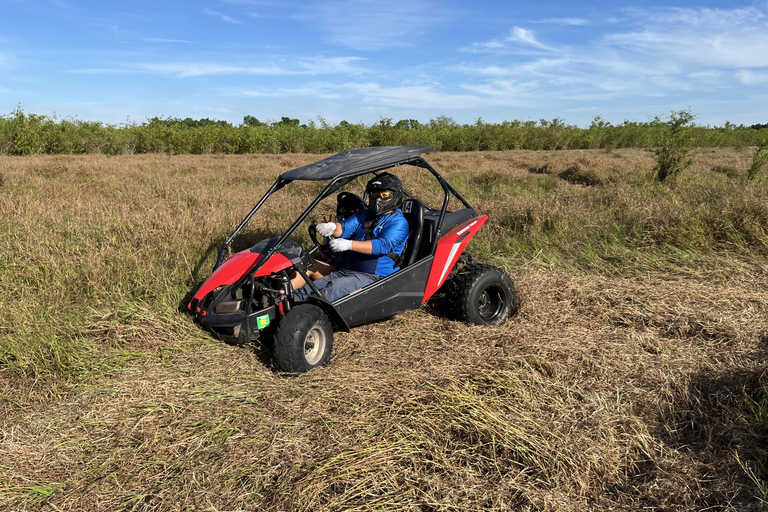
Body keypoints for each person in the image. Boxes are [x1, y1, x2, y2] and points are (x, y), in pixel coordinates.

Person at [293, 172, 409, 302]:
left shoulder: (398, 222)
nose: (378, 199)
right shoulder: (364, 215)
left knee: (330, 292)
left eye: (384, 195)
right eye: (374, 194)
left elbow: (383, 245)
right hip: (347, 271)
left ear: (395, 196)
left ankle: (304, 316)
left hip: (374, 276)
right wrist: (331, 227)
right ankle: (279, 307)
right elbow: (344, 227)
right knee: (307, 291)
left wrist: (349, 244)